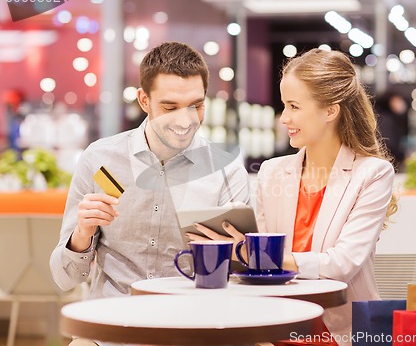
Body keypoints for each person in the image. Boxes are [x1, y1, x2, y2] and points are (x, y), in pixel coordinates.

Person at [192, 48, 397, 346]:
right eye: (284, 106)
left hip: (344, 334)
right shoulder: (272, 172)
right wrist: (233, 251)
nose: (284, 117)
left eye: (294, 106)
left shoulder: (372, 174)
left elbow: (341, 265)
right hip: (276, 326)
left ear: (330, 110)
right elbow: (259, 266)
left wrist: (262, 256)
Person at [50, 42, 250, 344]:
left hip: (192, 330)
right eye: (170, 107)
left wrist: (239, 256)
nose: (186, 121)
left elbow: (241, 277)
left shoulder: (226, 169)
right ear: (144, 100)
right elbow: (64, 278)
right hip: (109, 330)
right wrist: (82, 233)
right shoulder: (99, 159)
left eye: (196, 106)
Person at [375, 90, 409, 171]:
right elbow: (390, 143)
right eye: (397, 100)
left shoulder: (380, 116)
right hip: (388, 163)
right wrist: (403, 156)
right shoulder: (387, 119)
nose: (401, 103)